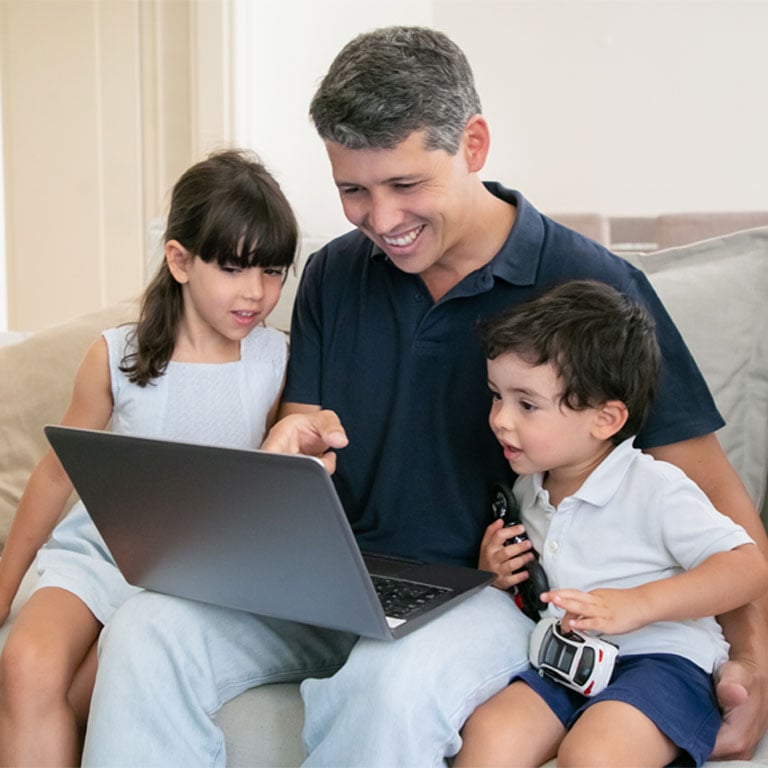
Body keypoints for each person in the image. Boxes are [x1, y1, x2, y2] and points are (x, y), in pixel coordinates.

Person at [80, 26, 768, 767]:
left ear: (473, 145)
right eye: (352, 190)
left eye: (405, 185)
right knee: (147, 628)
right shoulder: (336, 275)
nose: (380, 220)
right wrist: (289, 439)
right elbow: (304, 415)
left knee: (389, 683)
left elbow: (711, 495)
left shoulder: (592, 288)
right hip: (331, 577)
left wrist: (753, 658)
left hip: (487, 599)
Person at [0, 148, 298, 767]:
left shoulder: (275, 361)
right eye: (235, 268)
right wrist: (4, 586)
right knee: (25, 662)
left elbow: (280, 486)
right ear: (180, 260)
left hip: (190, 575)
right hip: (100, 550)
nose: (257, 292)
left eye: (273, 271)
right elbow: (58, 474)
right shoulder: (115, 355)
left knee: (96, 687)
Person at [453, 280, 768, 767]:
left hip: (665, 661)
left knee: (595, 753)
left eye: (526, 404)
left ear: (605, 419)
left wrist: (638, 605)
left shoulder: (656, 487)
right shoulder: (526, 488)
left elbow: (748, 568)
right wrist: (494, 574)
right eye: (497, 396)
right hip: (564, 660)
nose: (499, 419)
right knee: (490, 737)